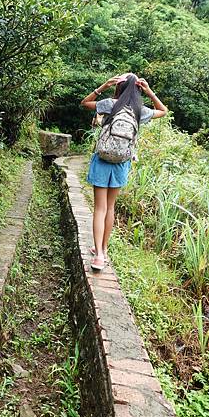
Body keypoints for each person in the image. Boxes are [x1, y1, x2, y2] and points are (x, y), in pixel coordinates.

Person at [80, 73, 168, 270]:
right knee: (110, 208)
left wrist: (103, 85)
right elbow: (163, 111)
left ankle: (99, 255)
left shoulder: (110, 104)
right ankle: (103, 250)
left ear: (118, 87)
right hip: (122, 162)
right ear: (137, 89)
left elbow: (85, 103)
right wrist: (150, 92)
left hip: (102, 159)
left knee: (100, 208)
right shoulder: (139, 110)